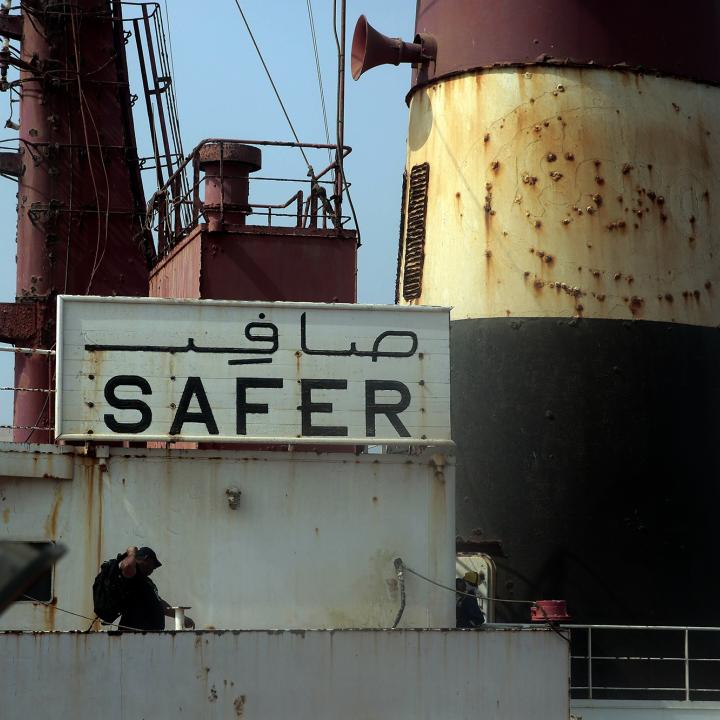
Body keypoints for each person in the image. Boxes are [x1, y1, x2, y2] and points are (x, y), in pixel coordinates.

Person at [117, 546, 195, 631]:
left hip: (149, 636)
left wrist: (180, 617)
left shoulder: (147, 582)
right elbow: (127, 566)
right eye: (153, 564)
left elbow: (159, 603)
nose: (154, 568)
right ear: (146, 559)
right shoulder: (133, 577)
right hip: (134, 635)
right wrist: (132, 552)